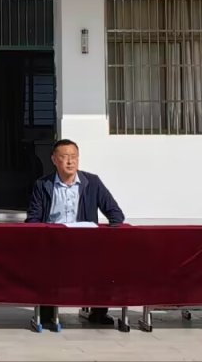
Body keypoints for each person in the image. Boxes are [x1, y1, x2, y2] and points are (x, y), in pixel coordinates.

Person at [26, 138, 124, 327]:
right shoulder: (43, 184)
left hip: (85, 243)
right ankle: (46, 313)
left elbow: (115, 214)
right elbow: (33, 219)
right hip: (54, 243)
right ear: (54, 160)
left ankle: (98, 312)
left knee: (103, 263)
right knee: (45, 264)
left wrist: (107, 237)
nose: (70, 161)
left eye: (74, 157)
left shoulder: (92, 182)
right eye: (64, 157)